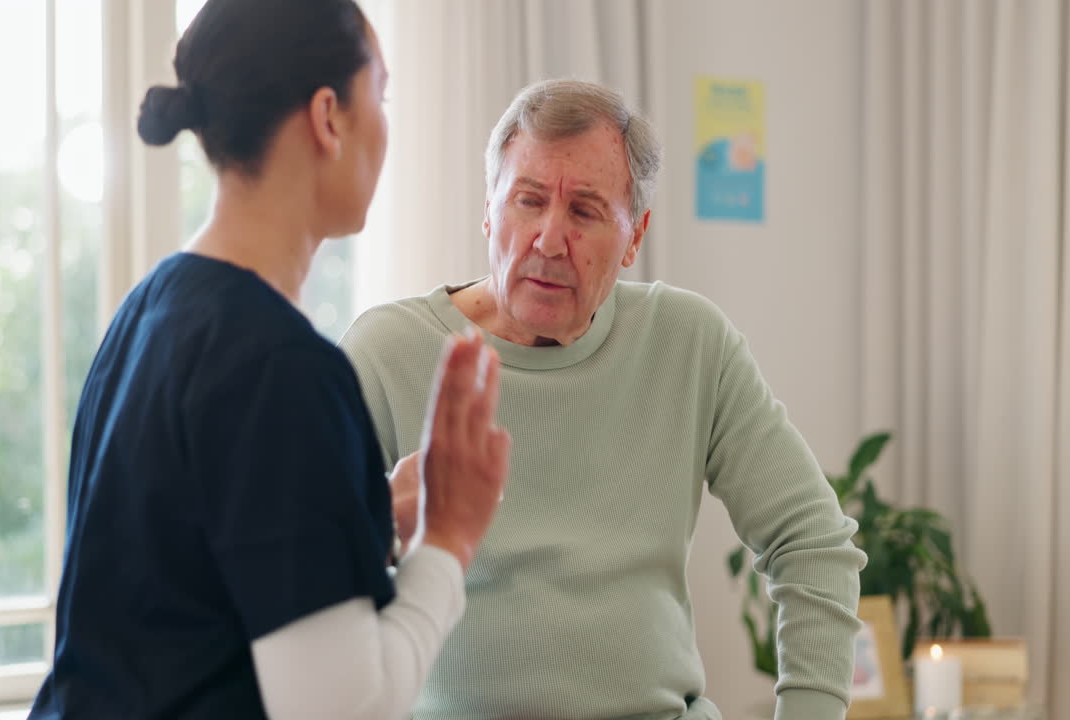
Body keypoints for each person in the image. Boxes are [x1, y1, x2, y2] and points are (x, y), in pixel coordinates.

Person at [28, 2, 510, 718]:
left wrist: (365, 520)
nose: (386, 123)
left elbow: (186, 578)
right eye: (380, 92)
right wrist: (449, 537)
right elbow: (347, 707)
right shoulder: (280, 367)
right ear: (328, 117)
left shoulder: (149, 309)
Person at [339, 79, 867, 720]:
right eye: (527, 202)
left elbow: (813, 541)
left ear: (635, 236)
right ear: (488, 210)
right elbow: (309, 593)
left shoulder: (688, 341)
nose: (549, 239)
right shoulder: (387, 351)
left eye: (584, 212)